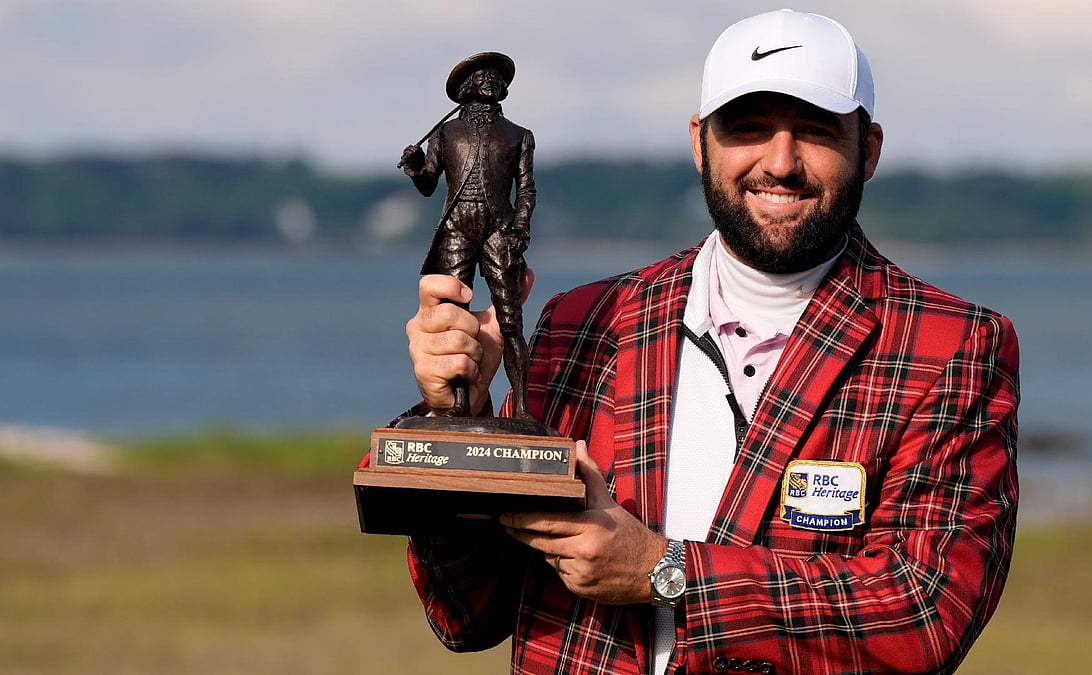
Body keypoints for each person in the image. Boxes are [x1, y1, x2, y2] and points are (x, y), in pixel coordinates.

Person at [403, 10, 1019, 674]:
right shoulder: (580, 324)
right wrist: (458, 419)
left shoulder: (951, 346)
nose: (780, 163)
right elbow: (467, 615)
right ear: (701, 142)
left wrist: (665, 571)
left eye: (813, 130)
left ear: (867, 149)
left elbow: (925, 613)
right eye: (748, 128)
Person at [400, 51, 537, 418]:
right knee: (452, 315)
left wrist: (521, 227)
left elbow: (526, 190)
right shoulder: (446, 133)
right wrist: (415, 167)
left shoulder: (519, 136)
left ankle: (522, 408)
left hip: (499, 230)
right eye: (482, 77)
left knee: (511, 322)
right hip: (457, 228)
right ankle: (459, 403)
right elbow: (429, 184)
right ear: (467, 88)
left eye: (496, 77)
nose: (490, 81)